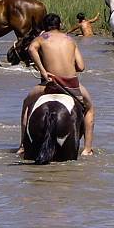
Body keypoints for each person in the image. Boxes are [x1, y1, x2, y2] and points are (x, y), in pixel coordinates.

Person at [19, 13, 95, 156]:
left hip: (49, 85)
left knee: (26, 105)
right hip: (72, 85)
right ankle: (87, 148)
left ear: (44, 26)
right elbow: (81, 67)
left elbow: (30, 49)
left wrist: (43, 70)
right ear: (59, 25)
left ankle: (23, 145)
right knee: (90, 108)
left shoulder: (41, 39)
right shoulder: (70, 40)